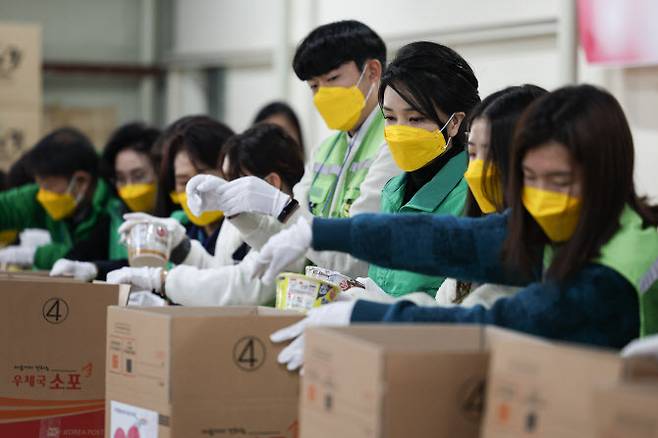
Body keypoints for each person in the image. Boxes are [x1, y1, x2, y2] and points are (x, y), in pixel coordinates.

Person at [250, 85, 658, 370]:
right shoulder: (566, 225)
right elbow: (444, 241)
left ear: (605, 174)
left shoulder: (615, 272)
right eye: (530, 177)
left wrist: (366, 318)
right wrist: (317, 232)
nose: (540, 194)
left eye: (559, 181)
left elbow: (496, 327)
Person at [186, 20, 400, 279]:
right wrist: (237, 209)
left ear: (372, 72)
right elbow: (290, 250)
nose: (322, 95)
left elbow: (355, 257)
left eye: (332, 79)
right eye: (314, 86)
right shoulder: (325, 151)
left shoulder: (392, 143)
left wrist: (284, 208)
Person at [107, 124, 306, 306]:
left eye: (235, 179)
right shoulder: (239, 222)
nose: (226, 187)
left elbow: (242, 285)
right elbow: (217, 272)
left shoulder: (294, 229)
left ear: (270, 183)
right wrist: (179, 245)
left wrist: (161, 280)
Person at [361, 41, 479, 297]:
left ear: (454, 122)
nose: (400, 130)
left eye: (415, 119)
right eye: (390, 118)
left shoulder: (473, 195)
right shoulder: (393, 191)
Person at [436, 84, 547, 307]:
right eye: (473, 153)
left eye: (492, 155)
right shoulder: (476, 241)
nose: (476, 170)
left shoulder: (546, 258)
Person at [49, 122, 162, 280]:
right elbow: (83, 252)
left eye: (138, 176)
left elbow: (153, 268)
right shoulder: (115, 216)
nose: (129, 187)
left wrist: (97, 269)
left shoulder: (177, 220)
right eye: (121, 179)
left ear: (161, 172)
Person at [0, 128, 119, 269]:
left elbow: (91, 257)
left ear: (81, 182)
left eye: (48, 187)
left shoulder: (115, 208)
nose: (42, 195)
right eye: (40, 187)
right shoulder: (43, 198)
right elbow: (7, 207)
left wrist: (34, 255)